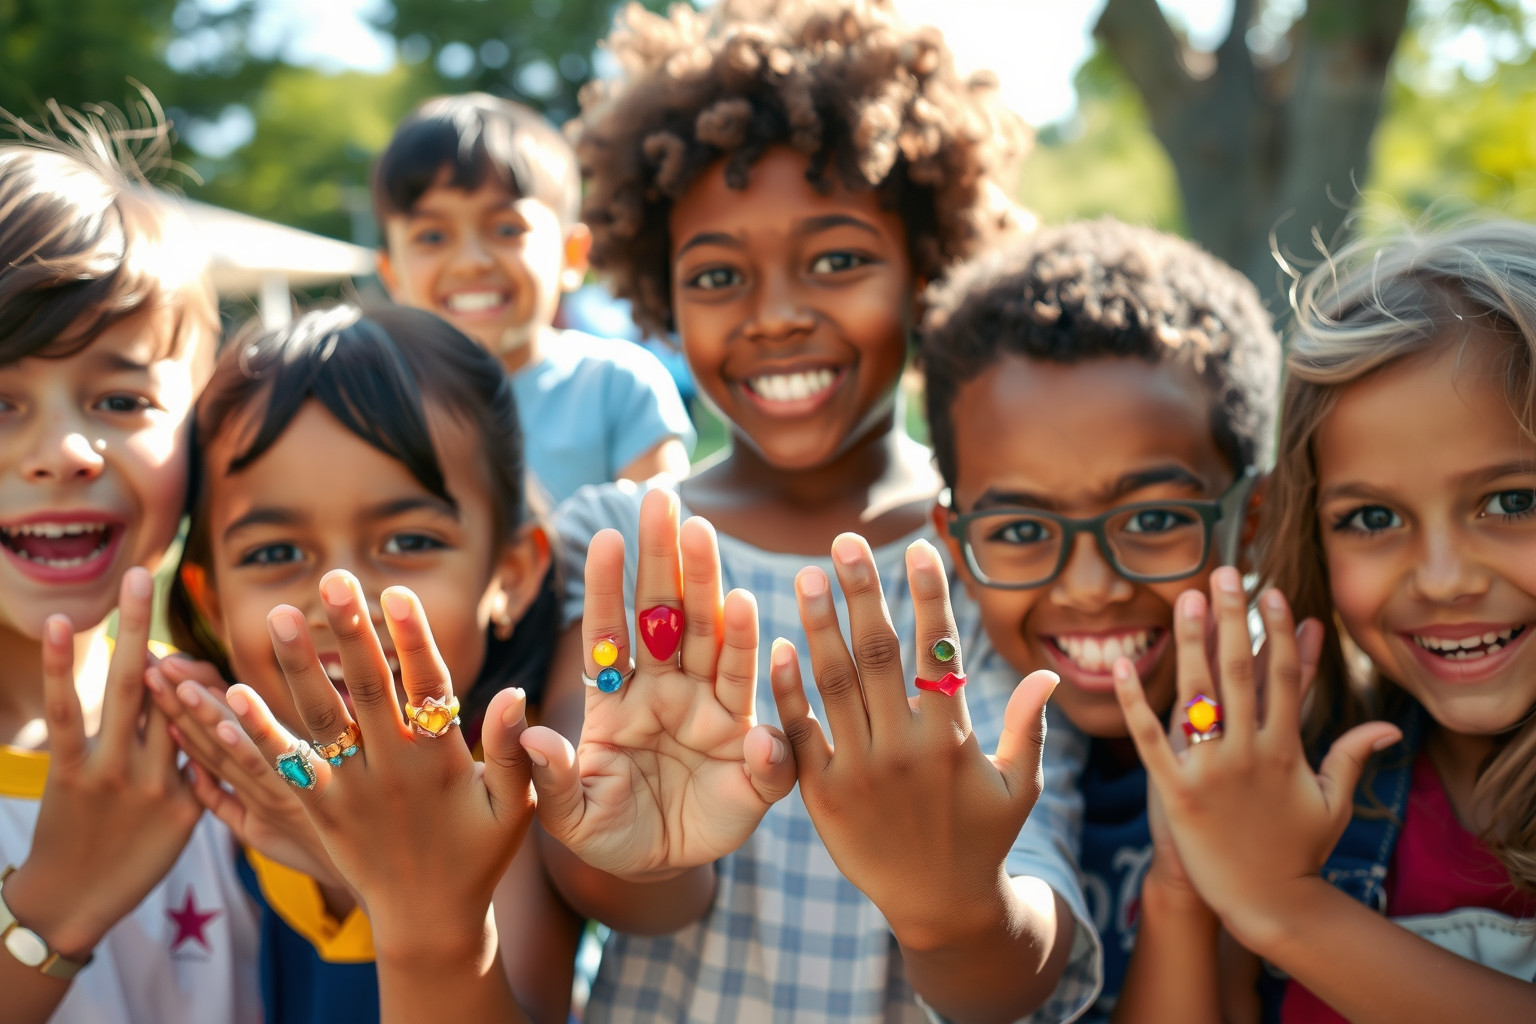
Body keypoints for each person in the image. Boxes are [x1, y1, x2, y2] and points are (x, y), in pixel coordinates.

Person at [518, 2, 1102, 1020]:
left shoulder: (988, 557)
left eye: (837, 260)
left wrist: (954, 908)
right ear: (661, 292)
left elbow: (1013, 972)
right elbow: (611, 873)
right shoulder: (622, 547)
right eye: (717, 275)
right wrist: (638, 849)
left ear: (930, 269)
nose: (777, 312)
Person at [1112, 221, 1536, 1022]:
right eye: (1372, 517)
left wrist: (1289, 910)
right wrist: (1189, 876)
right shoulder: (1298, 784)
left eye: (1514, 502)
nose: (1443, 580)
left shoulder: (1288, 885)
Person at [150, 305, 579, 1022]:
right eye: (275, 554)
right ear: (213, 601)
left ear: (510, 572)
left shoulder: (509, 789)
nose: (339, 598)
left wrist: (360, 873)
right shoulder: (200, 773)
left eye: (408, 541)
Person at [915, 220, 1281, 1021]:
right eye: (1017, 531)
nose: (1091, 587)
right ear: (955, 545)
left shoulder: (1304, 747)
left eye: (1153, 521)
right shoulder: (944, 748)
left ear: (1253, 521)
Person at [0, 103, 259, 1022]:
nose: (64, 450)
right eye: (3, 403)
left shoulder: (229, 730)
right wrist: (51, 917)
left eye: (120, 397)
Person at [372, 92, 696, 504]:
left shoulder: (617, 387)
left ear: (572, 255)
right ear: (391, 273)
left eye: (507, 229)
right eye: (432, 237)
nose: (470, 263)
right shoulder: (372, 408)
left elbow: (663, 546)